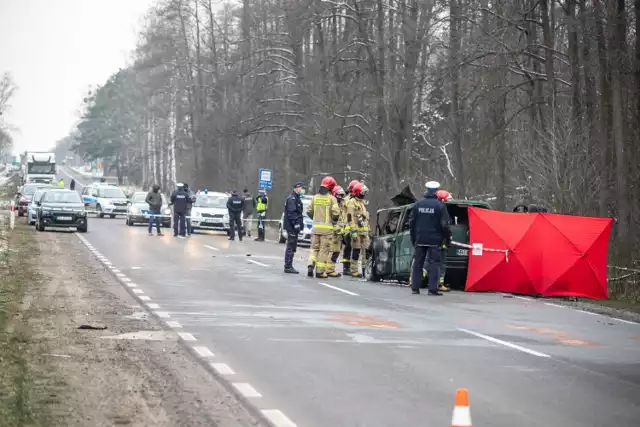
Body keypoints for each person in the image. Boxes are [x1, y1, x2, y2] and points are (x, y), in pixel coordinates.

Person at [409, 181, 451, 296]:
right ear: (437, 191)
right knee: (434, 264)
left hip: (420, 239)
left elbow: (411, 223)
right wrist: (447, 239)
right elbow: (445, 225)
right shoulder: (440, 206)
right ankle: (432, 290)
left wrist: (413, 238)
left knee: (418, 264)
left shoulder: (417, 204)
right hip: (435, 240)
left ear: (426, 190)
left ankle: (415, 288)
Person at [306, 176, 340, 278]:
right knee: (323, 250)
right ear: (330, 187)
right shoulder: (332, 199)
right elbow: (336, 214)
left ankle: (310, 264)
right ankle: (320, 272)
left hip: (315, 229)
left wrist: (315, 218)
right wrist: (333, 221)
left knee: (314, 248)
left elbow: (308, 211)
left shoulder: (315, 197)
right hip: (327, 231)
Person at [346, 182, 371, 277]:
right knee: (356, 251)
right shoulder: (352, 202)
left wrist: (368, 230)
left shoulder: (362, 203)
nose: (363, 195)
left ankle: (365, 270)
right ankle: (354, 270)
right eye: (362, 193)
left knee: (366, 251)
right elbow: (350, 217)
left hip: (364, 232)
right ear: (357, 192)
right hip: (356, 232)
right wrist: (353, 231)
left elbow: (366, 218)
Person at [283, 182, 305, 274]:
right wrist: (296, 224)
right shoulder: (292, 199)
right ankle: (288, 266)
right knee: (291, 245)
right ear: (297, 188)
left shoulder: (296, 198)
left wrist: (300, 224)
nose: (303, 190)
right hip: (291, 227)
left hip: (293, 226)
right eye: (302, 188)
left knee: (293, 246)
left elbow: (299, 213)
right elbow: (292, 213)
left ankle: (289, 265)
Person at [326, 186, 346, 277]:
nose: (341, 197)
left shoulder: (341, 205)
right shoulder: (333, 205)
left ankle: (331, 269)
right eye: (339, 195)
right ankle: (329, 270)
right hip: (334, 233)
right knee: (333, 251)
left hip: (339, 233)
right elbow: (333, 221)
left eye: (342, 195)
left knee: (336, 251)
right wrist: (338, 230)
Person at [341, 180, 359, 276]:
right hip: (348, 227)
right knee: (349, 247)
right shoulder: (349, 200)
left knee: (351, 248)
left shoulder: (352, 199)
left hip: (351, 227)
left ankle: (349, 268)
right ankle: (347, 268)